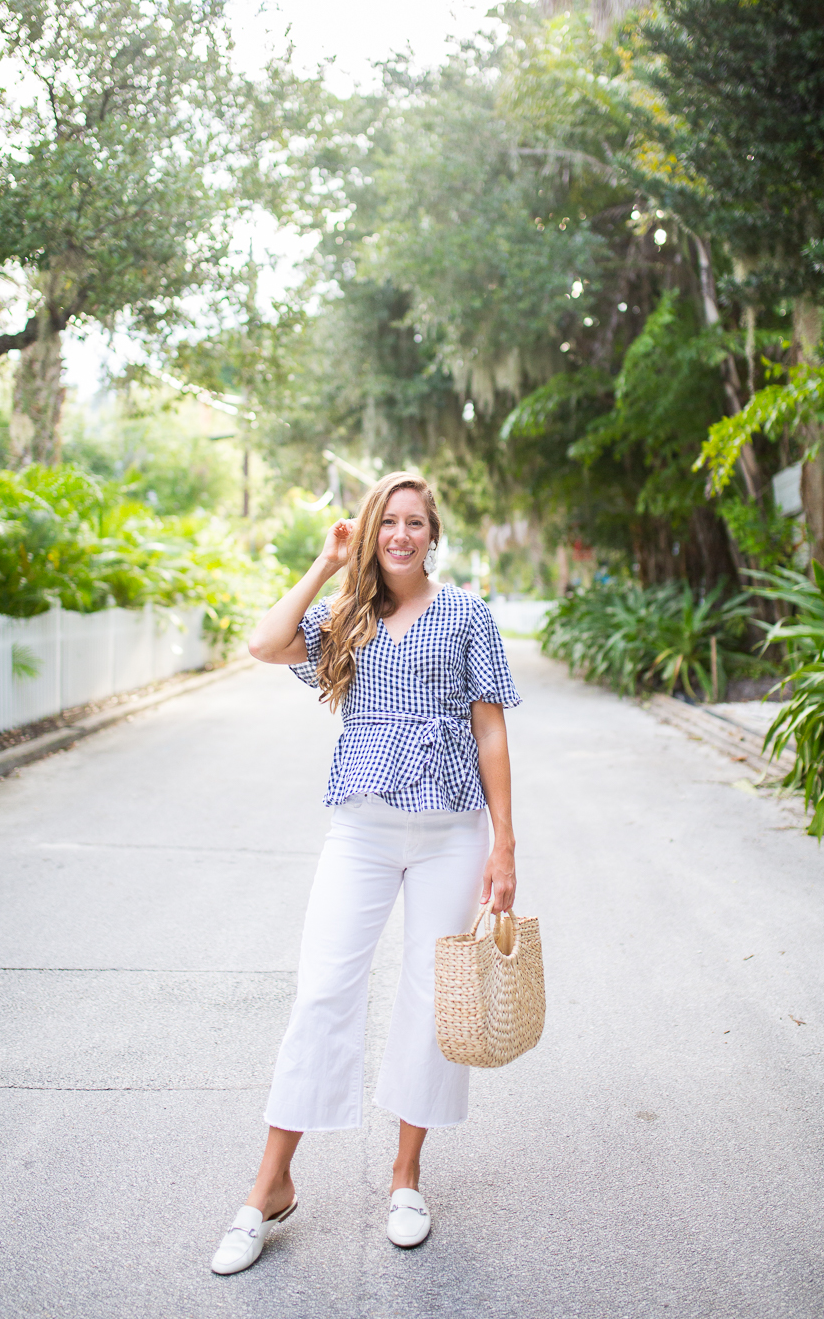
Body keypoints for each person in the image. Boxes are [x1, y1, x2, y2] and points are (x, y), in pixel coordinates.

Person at [210, 471, 520, 1275]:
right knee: (322, 990)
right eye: (389, 522)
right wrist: (325, 561)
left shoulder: (466, 615)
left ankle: (406, 1177)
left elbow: (490, 733)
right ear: (371, 530)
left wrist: (504, 849)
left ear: (433, 534)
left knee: (429, 997)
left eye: (417, 522)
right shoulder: (345, 616)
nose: (403, 535)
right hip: (363, 827)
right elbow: (264, 643)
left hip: (454, 833)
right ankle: (269, 1184)